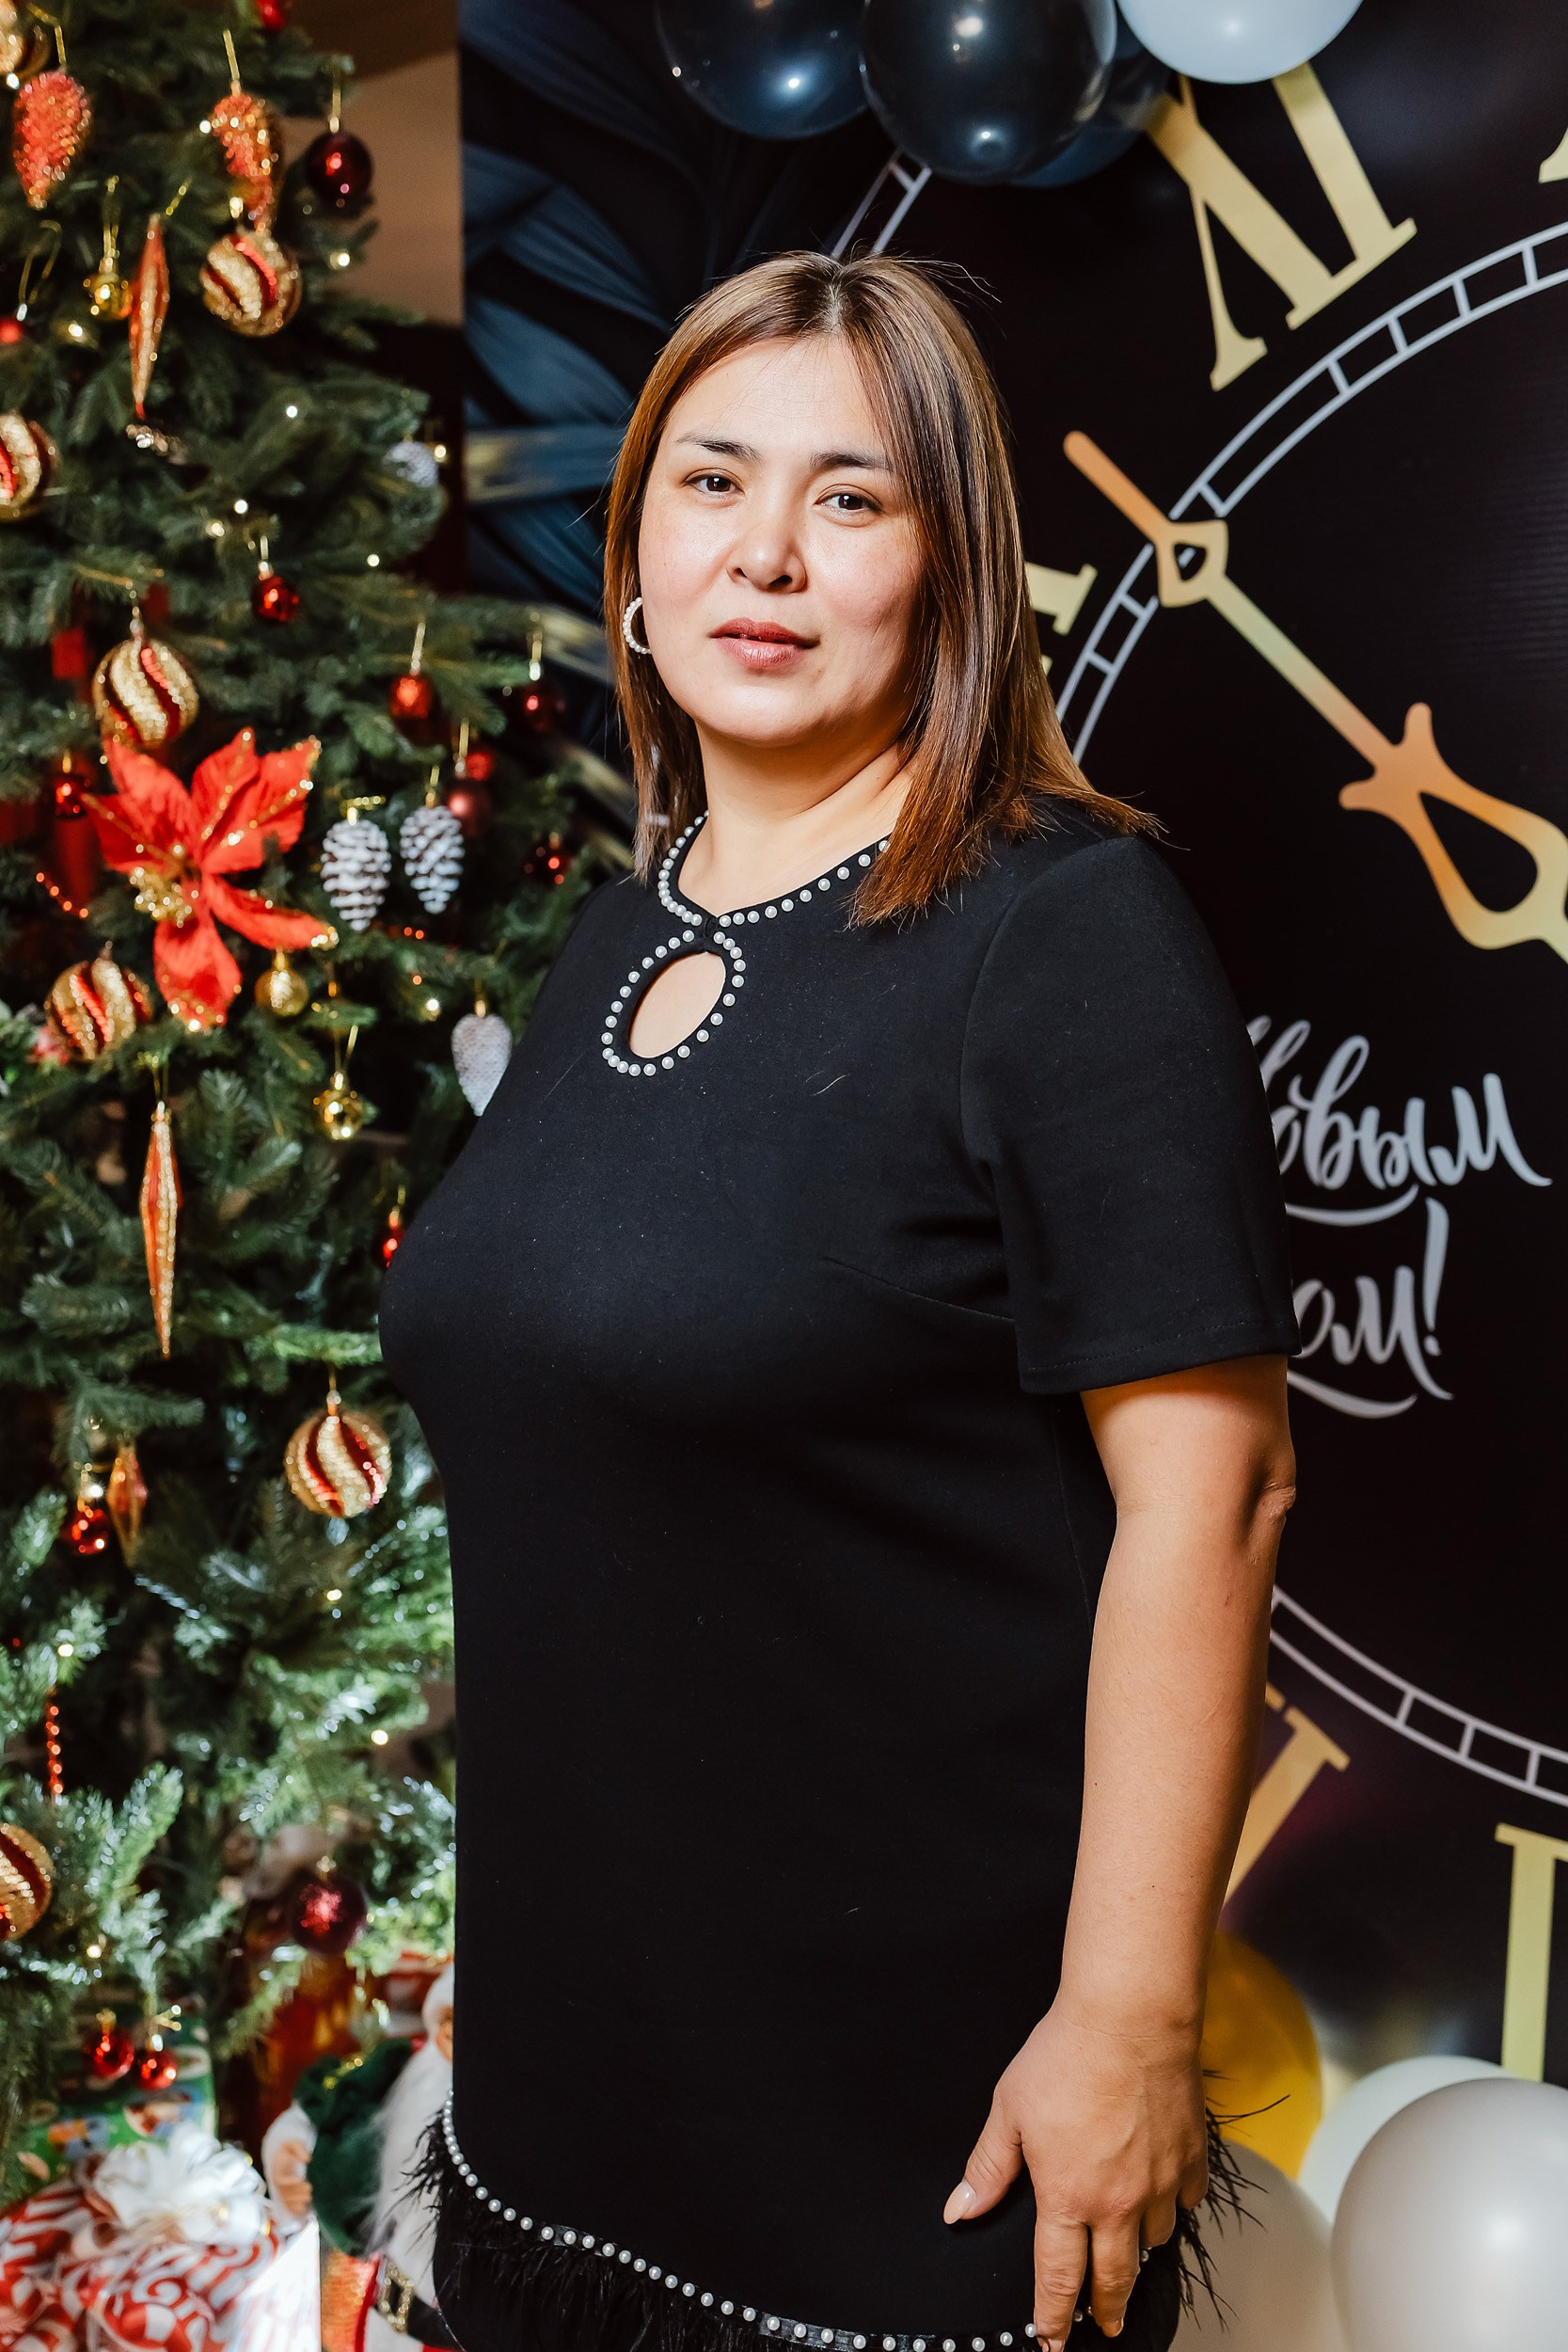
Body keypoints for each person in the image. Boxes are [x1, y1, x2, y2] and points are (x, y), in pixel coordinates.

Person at [380, 250, 1299, 2352]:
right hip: (576, 2079)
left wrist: (1128, 2020)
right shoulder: (622, 930)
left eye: (852, 497)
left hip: (913, 2113)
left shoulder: (1067, 930)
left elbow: (1218, 1496)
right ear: (637, 551)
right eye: (711, 482)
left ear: (948, 571)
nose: (766, 553)